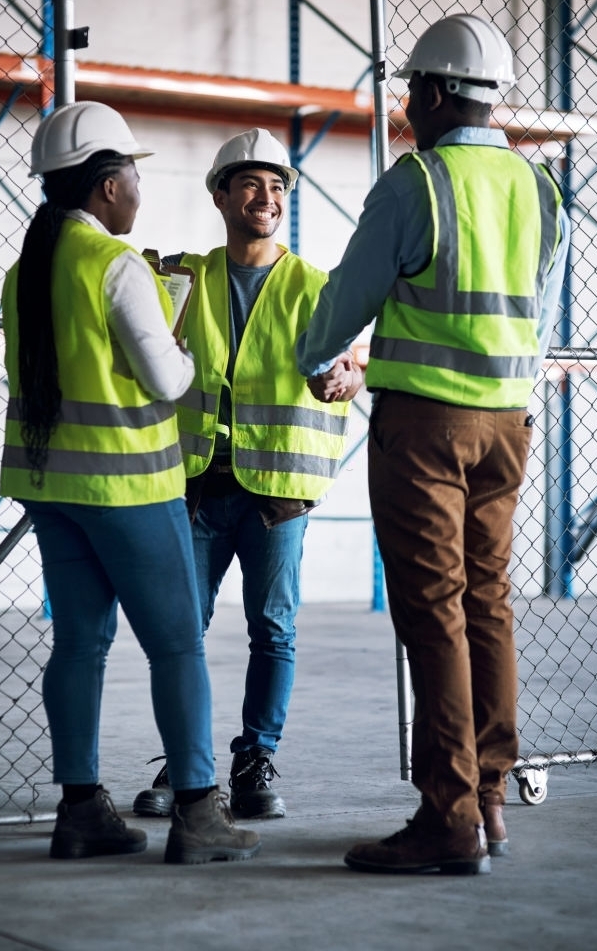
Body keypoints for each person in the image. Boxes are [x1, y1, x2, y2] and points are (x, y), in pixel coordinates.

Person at [296, 14, 570, 875]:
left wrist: (316, 359)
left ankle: (445, 818)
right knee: (486, 604)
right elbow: (535, 313)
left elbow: (350, 292)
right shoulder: (539, 190)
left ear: (439, 93)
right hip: (508, 425)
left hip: (424, 432)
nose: (406, 104)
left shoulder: (416, 181)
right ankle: (488, 799)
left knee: (433, 612)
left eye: (412, 88)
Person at [0, 100, 260, 865]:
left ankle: (80, 810)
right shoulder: (117, 266)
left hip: (52, 490)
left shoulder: (26, 270)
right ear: (108, 187)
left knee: (78, 643)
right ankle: (197, 814)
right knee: (177, 645)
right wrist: (176, 341)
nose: (138, 193)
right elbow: (168, 379)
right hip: (129, 490)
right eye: (132, 178)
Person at [132, 127, 361, 821]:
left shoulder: (311, 284)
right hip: (195, 486)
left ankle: (255, 760)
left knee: (273, 629)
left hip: (276, 494)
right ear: (219, 194)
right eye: (252, 184)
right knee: (180, 629)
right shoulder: (181, 276)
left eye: (277, 187)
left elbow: (347, 368)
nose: (266, 198)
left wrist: (344, 381)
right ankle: (191, 765)